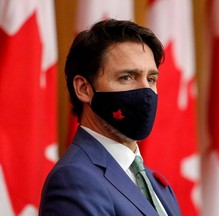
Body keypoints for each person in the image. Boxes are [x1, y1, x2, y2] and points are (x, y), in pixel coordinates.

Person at [39, 19, 181, 216]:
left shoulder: (157, 184)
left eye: (151, 79)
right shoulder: (74, 179)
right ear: (84, 89)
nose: (146, 91)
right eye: (127, 77)